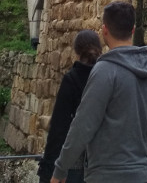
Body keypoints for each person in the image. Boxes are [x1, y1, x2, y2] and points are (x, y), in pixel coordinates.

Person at [50, 1, 147, 183]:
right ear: (133, 30)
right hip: (140, 175)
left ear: (104, 31)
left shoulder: (104, 71)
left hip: (105, 175)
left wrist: (61, 168)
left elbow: (83, 124)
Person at [37, 30, 103, 183]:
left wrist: (48, 168)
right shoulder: (107, 77)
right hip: (101, 162)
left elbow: (59, 127)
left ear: (76, 52)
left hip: (74, 163)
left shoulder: (72, 80)